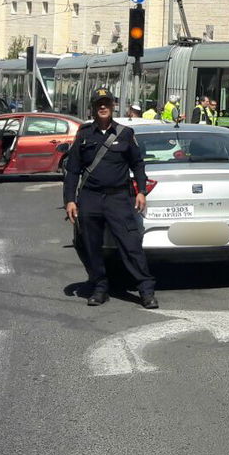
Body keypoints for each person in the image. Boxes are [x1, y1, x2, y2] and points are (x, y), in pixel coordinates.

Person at [62, 88, 157, 308]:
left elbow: (138, 164)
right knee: (91, 246)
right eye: (98, 104)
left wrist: (141, 190)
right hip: (90, 199)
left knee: (130, 245)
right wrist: (69, 200)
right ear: (93, 108)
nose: (103, 107)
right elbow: (73, 170)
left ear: (113, 106)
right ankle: (99, 288)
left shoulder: (124, 133)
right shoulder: (84, 134)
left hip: (118, 199)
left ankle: (146, 291)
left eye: (106, 103)